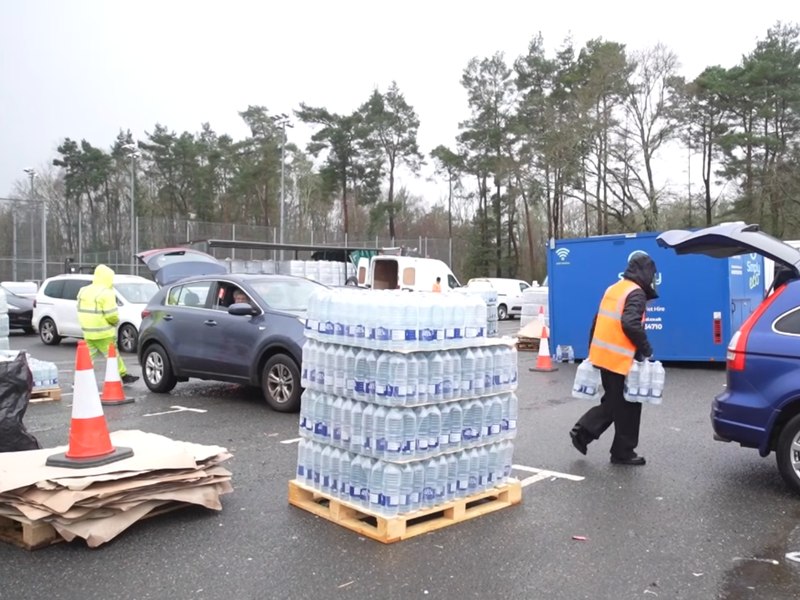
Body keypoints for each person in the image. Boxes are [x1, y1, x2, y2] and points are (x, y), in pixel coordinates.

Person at [569, 252, 657, 466]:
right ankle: (620, 451)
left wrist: (592, 351)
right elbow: (630, 323)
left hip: (604, 355)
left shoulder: (614, 288)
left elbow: (596, 320)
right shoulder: (635, 293)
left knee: (614, 402)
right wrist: (646, 349)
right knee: (629, 405)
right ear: (646, 273)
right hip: (620, 359)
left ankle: (586, 433)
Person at [76, 264, 139, 384]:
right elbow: (112, 315)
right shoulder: (107, 293)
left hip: (88, 332)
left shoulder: (83, 290)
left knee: (87, 358)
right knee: (112, 356)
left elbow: (79, 309)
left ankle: (79, 381)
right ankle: (123, 376)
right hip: (104, 332)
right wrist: (115, 322)